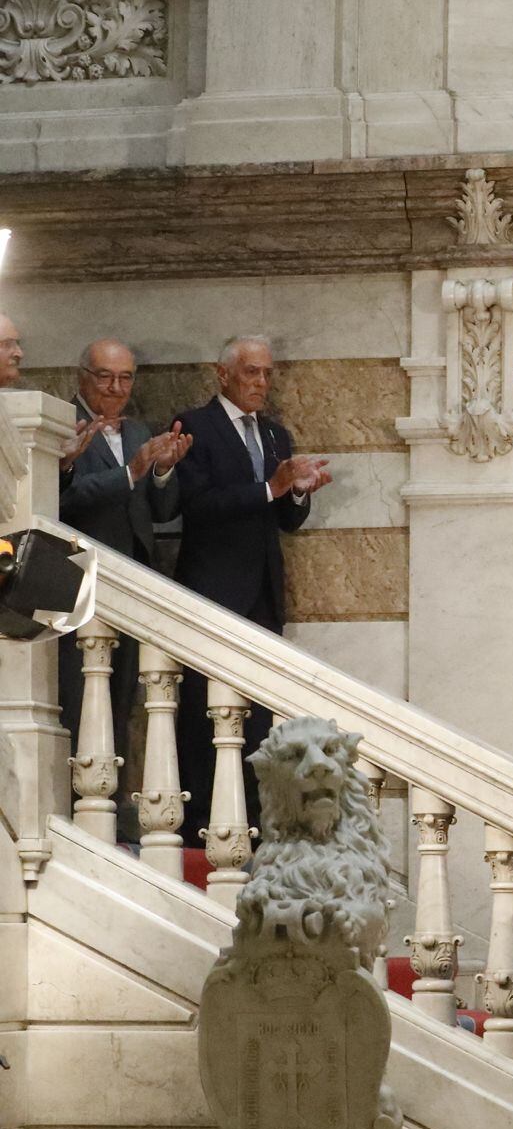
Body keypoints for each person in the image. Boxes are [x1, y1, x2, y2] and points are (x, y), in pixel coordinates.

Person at [172, 335, 332, 841]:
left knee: (259, 715)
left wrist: (299, 493)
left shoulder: (276, 434)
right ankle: (200, 817)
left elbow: (285, 519)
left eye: (266, 374)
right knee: (204, 708)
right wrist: (270, 488)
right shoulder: (195, 427)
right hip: (211, 588)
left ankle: (256, 817)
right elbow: (193, 506)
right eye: (250, 373)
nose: (261, 383)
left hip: (262, 590)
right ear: (223, 375)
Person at [57, 338, 190, 757]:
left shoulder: (136, 429)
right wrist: (131, 472)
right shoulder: (63, 423)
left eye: (125, 378)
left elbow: (163, 510)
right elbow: (62, 497)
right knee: (77, 696)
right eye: (105, 377)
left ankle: (109, 804)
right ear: (82, 378)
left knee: (122, 698)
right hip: (77, 581)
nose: (116, 387)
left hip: (133, 581)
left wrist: (164, 470)